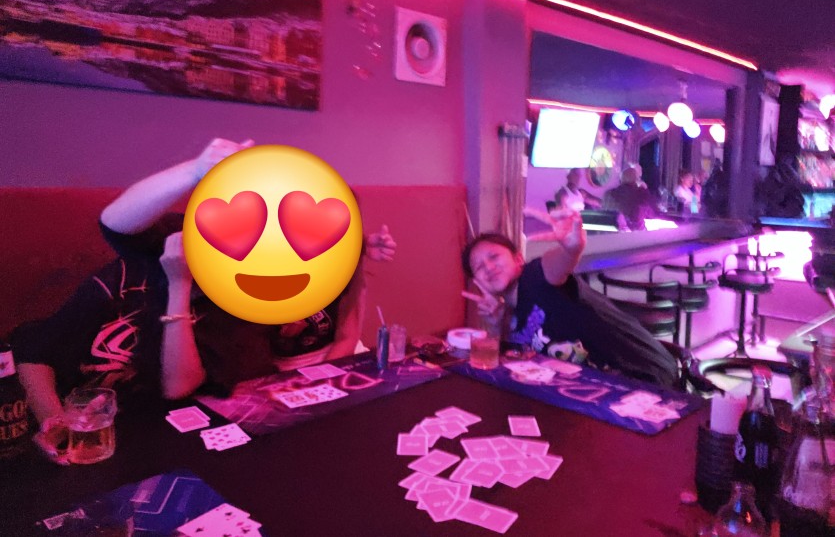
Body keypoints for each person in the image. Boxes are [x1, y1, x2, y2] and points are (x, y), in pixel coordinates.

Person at [11, 138, 396, 463]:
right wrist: (194, 169)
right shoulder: (133, 272)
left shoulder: (249, 299)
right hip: (131, 430)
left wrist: (358, 249)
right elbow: (116, 224)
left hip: (208, 426)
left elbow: (187, 386)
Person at [460, 219, 677, 387]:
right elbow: (513, 364)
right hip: (601, 389)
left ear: (518, 259)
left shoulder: (536, 276)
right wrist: (497, 324)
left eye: (494, 257)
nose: (489, 268)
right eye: (479, 267)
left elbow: (556, 264)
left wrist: (570, 249)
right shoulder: (511, 317)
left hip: (646, 376)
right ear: (476, 280)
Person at [601, 166, 660, 230]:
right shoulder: (641, 193)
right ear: (636, 180)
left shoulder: (608, 194)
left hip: (610, 232)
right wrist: (645, 189)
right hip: (634, 232)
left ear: (621, 179)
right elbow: (653, 213)